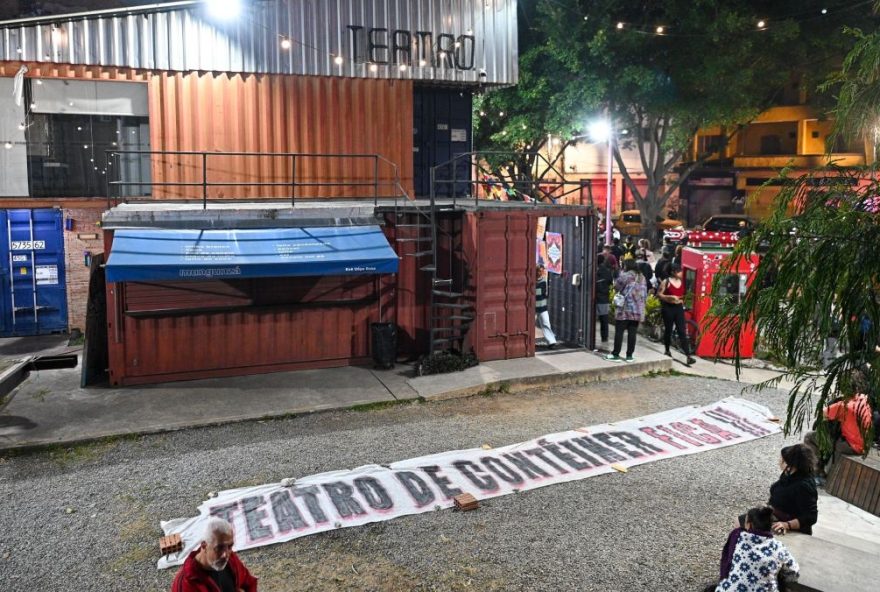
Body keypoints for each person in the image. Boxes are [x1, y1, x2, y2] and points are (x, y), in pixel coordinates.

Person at [709, 506, 799, 592]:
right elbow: (794, 572)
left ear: (749, 525)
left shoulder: (738, 537)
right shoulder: (778, 547)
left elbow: (727, 562)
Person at [171, 517, 258, 592]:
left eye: (230, 546)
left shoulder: (231, 559)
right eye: (219, 548)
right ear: (204, 545)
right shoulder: (186, 584)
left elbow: (249, 583)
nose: (225, 555)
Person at [803, 392, 873, 474]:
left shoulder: (843, 406)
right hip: (864, 445)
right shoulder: (863, 399)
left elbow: (822, 415)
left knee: (809, 437)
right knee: (832, 439)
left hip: (852, 446)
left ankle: (816, 471)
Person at [761, 444, 819, 535]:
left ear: (790, 464)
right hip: (775, 517)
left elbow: (811, 517)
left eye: (782, 460)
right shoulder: (788, 475)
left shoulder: (803, 486)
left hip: (790, 527)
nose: (779, 461)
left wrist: (787, 525)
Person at [605, 258, 647, 362]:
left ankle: (616, 354)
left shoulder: (625, 275)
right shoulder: (642, 277)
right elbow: (644, 293)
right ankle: (629, 356)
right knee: (632, 333)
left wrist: (621, 274)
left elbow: (616, 287)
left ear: (627, 266)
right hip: (637, 310)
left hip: (625, 309)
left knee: (619, 332)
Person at [657, 264, 696, 365]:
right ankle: (667, 349)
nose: (681, 273)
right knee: (668, 330)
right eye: (679, 271)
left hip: (678, 309)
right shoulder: (666, 282)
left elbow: (683, 294)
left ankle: (688, 356)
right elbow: (659, 294)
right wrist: (670, 297)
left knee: (682, 331)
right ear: (674, 272)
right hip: (668, 308)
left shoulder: (682, 282)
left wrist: (682, 300)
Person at [536, 263, 558, 350]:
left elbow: (539, 293)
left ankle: (551, 342)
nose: (541, 272)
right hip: (534, 306)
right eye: (540, 271)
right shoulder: (535, 280)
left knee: (546, 324)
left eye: (542, 271)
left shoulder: (543, 281)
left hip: (542, 306)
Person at [595, 254, 614, 344]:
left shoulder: (593, 270)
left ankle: (590, 337)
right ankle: (604, 337)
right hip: (604, 297)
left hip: (594, 297)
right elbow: (610, 282)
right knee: (604, 319)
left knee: (590, 319)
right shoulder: (607, 271)